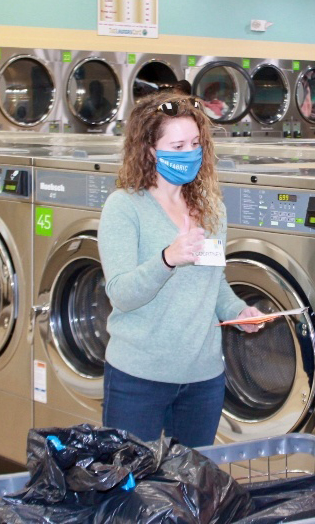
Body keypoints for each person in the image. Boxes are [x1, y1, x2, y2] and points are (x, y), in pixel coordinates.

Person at [98, 92, 265, 447]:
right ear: (149, 150)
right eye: (176, 145)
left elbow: (212, 282)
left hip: (203, 377)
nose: (189, 152)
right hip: (138, 376)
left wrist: (239, 311)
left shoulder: (210, 208)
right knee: (131, 488)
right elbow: (122, 294)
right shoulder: (124, 207)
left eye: (194, 143)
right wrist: (167, 259)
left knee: (190, 488)